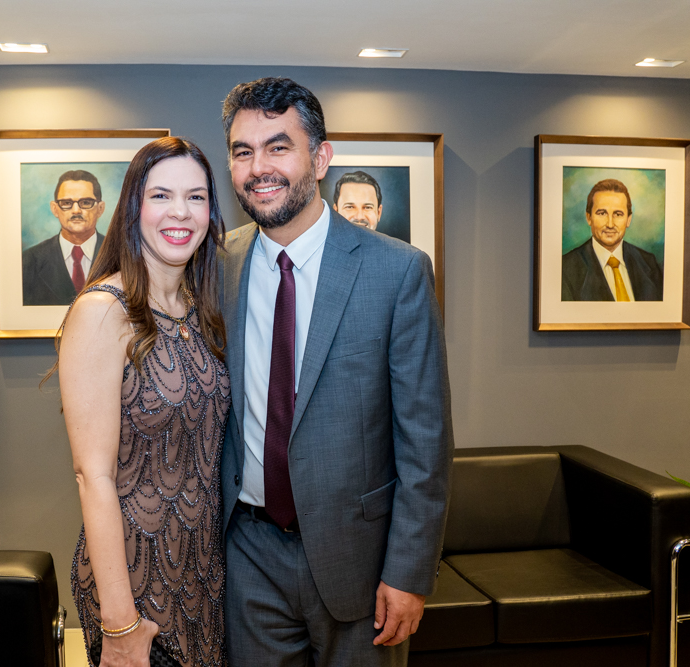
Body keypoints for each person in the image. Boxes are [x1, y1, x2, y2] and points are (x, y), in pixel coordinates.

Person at [219, 77, 453, 666]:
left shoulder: (397, 272)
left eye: (278, 146)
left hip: (362, 561)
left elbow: (425, 441)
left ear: (320, 158)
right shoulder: (218, 264)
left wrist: (409, 573)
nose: (258, 167)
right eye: (243, 151)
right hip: (248, 555)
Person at [57, 137, 230, 667]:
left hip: (202, 572)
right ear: (134, 208)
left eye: (196, 197)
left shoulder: (199, 308)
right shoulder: (103, 311)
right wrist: (120, 622)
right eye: (162, 195)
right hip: (133, 582)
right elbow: (94, 475)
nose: (180, 212)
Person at [561, 178, 663, 301]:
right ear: (589, 218)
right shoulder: (566, 269)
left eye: (618, 214)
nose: (610, 224)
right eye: (602, 213)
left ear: (628, 219)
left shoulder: (649, 263)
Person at [22, 169, 107, 306]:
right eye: (67, 203)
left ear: (100, 208)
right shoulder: (28, 261)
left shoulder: (123, 256)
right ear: (55, 209)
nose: (76, 210)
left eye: (85, 202)